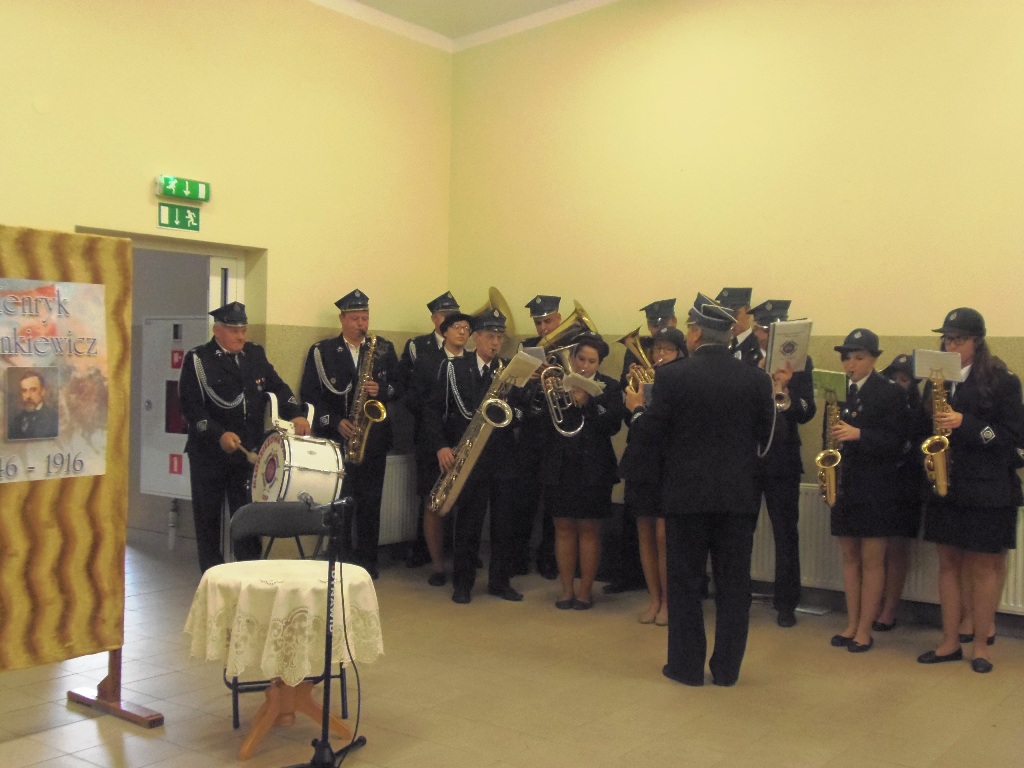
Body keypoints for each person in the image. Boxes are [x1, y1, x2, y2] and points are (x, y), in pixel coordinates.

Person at [627, 293, 773, 686]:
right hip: (738, 498)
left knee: (686, 584)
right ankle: (727, 669)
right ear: (728, 334)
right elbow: (766, 437)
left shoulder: (673, 377)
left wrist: (637, 409)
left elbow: (653, 436)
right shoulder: (756, 379)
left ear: (695, 333)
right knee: (734, 586)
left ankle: (686, 667)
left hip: (686, 497)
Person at [916, 308, 1024, 674]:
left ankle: (980, 645)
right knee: (948, 565)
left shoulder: (1003, 381)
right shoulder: (937, 382)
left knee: (984, 567)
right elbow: (921, 430)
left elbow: (1013, 438)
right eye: (947, 339)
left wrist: (967, 422)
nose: (950, 346)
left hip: (989, 488)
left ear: (977, 342)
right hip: (947, 485)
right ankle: (949, 642)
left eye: (958, 339)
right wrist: (926, 456)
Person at [179, 301, 310, 573]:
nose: (241, 336)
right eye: (234, 330)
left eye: (243, 330)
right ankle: (212, 575)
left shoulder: (254, 354)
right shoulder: (198, 360)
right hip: (209, 455)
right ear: (217, 330)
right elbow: (191, 408)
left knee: (249, 517)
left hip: (248, 453)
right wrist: (218, 434)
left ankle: (249, 573)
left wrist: (296, 414)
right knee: (208, 519)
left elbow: (278, 387)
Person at [422, 308, 524, 604]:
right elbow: (433, 411)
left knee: (504, 523)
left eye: (499, 337)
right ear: (475, 338)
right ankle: (463, 583)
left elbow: (521, 410)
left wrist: (512, 413)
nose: (495, 343)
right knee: (468, 521)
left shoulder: (510, 370)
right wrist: (441, 446)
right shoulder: (453, 368)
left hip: (502, 455)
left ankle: (500, 582)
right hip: (467, 455)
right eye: (490, 336)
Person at [299, 289, 403, 579]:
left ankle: (368, 562)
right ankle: (341, 560)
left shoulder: (383, 348)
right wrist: (335, 422)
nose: (361, 324)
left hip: (375, 439)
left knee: (371, 503)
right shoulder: (322, 352)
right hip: (338, 441)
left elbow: (401, 387)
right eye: (356, 318)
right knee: (340, 504)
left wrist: (382, 390)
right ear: (342, 319)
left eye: (365, 318)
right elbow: (309, 394)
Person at [827, 329, 906, 653]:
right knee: (850, 557)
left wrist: (860, 434)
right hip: (845, 482)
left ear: (874, 359)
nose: (851, 364)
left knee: (873, 560)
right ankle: (851, 622)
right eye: (847, 358)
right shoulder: (837, 390)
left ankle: (864, 629)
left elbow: (897, 441)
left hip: (876, 486)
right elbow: (830, 435)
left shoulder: (889, 392)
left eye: (859, 358)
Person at [748, 300, 817, 628]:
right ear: (757, 331)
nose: (768, 336)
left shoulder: (801, 362)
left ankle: (787, 603)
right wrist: (758, 376)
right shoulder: (744, 358)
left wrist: (785, 393)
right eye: (764, 330)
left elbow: (807, 411)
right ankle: (736, 594)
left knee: (786, 533)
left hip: (783, 459)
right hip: (748, 457)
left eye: (775, 330)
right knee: (739, 532)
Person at [603, 298, 678, 597]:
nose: (656, 329)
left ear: (673, 322)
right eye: (652, 324)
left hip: (668, 450)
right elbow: (627, 401)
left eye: (662, 323)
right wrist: (633, 394)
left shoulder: (681, 357)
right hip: (640, 442)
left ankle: (670, 593)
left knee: (663, 529)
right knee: (636, 517)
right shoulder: (637, 351)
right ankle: (631, 577)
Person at [544, 333, 624, 610]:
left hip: (594, 466)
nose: (585, 366)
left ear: (599, 363)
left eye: (592, 361)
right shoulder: (557, 384)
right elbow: (543, 421)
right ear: (573, 358)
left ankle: (585, 591)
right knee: (563, 526)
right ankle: (566, 589)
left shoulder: (609, 387)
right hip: (560, 463)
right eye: (580, 359)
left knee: (590, 528)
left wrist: (588, 403)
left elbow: (613, 425)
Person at [619, 326, 686, 625]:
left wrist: (642, 408)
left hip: (670, 464)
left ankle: (670, 603)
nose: (660, 355)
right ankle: (654, 599)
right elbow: (630, 421)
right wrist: (633, 400)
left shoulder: (683, 382)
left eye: (667, 350)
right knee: (644, 531)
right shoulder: (644, 379)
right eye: (657, 349)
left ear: (680, 354)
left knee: (664, 536)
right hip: (642, 461)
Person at [399, 291, 462, 568]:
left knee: (457, 498)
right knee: (430, 497)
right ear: (435, 319)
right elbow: (410, 392)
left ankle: (455, 551)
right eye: (447, 317)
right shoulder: (420, 348)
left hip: (458, 437)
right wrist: (430, 422)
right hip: (429, 434)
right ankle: (426, 552)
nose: (453, 324)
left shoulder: (466, 354)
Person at [415, 311, 473, 586]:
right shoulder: (429, 361)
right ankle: (437, 565)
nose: (462, 332)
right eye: (457, 327)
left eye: (466, 328)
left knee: (466, 504)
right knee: (434, 502)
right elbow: (423, 406)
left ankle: (462, 558)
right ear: (445, 331)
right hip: (434, 442)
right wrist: (439, 444)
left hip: (465, 443)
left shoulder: (472, 363)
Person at [511, 294, 564, 580]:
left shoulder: (573, 345)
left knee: (554, 499)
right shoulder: (529, 348)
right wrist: (528, 380)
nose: (543, 328)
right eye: (538, 322)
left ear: (559, 319)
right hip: (531, 429)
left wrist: (557, 379)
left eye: (548, 321)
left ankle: (549, 557)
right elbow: (515, 390)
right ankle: (518, 555)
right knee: (524, 497)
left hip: (557, 432)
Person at [874, 353, 924, 631]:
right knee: (874, 551)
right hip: (880, 482)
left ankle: (889, 609)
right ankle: (873, 603)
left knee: (896, 550)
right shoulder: (882, 404)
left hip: (906, 485)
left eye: (904, 379)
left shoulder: (919, 409)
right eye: (893, 378)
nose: (897, 384)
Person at [8, 369, 59, 440]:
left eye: (33, 390)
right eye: (24, 391)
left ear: (43, 391)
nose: (28, 396)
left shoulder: (53, 418)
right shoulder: (16, 419)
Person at [716, 287, 758, 364]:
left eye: (735, 314)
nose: (731, 320)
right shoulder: (720, 344)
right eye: (726, 315)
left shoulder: (757, 345)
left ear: (748, 311)